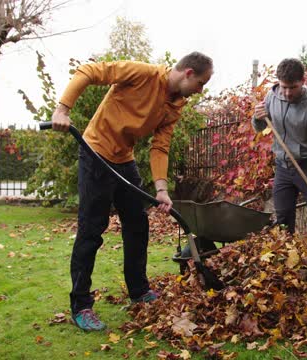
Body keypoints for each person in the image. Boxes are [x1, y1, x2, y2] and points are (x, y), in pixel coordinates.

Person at [51, 52, 213, 331]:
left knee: (138, 225)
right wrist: (62, 109)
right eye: (201, 83)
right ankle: (81, 304)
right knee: (91, 229)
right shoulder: (142, 73)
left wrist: (162, 189)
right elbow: (89, 71)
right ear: (188, 73)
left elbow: (160, 146)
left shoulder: (174, 105)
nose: (200, 90)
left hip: (124, 160)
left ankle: (138, 291)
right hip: (95, 154)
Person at [251, 58, 307, 244]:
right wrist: (257, 118)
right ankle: (289, 264)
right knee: (282, 221)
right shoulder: (271, 97)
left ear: (303, 82)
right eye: (284, 87)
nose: (288, 93)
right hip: (283, 167)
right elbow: (257, 127)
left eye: (293, 87)